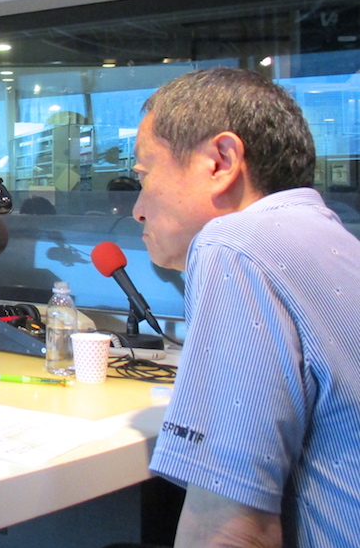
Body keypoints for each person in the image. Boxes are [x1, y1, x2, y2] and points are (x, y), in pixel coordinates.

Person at [130, 67, 360, 546]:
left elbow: (233, 531)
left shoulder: (234, 244)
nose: (138, 209)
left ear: (221, 161)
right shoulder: (333, 240)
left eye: (144, 175)